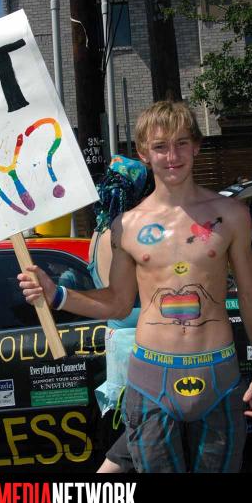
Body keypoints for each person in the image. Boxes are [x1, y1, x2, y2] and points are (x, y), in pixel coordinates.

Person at [18, 100, 252, 473]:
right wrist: (57, 295)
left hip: (218, 376)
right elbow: (118, 303)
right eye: (160, 146)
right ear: (143, 153)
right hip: (152, 380)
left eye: (181, 143)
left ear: (196, 146)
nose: (172, 156)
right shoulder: (127, 225)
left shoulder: (231, 215)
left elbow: (250, 294)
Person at [88, 154, 152, 473]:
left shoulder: (97, 234)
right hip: (141, 346)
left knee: (137, 435)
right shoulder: (127, 235)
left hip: (115, 343)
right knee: (143, 437)